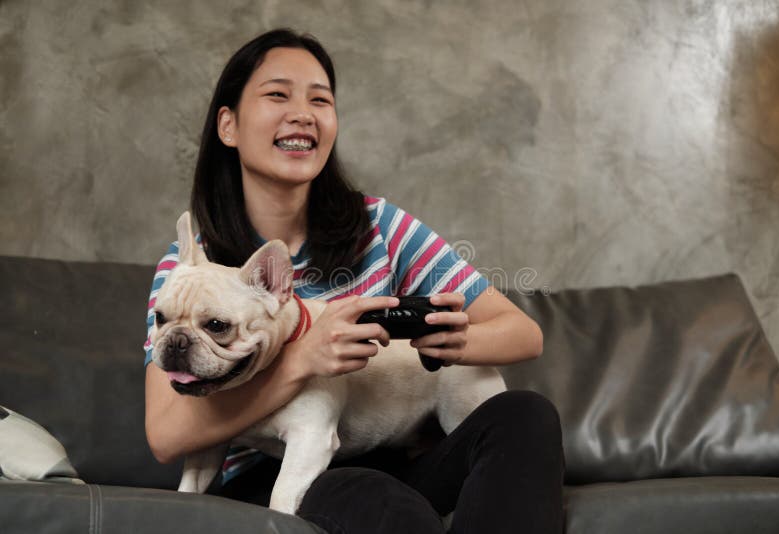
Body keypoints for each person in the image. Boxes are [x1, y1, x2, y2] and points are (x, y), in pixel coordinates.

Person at [143, 28, 564, 534]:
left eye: (319, 99)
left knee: (526, 415)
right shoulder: (189, 266)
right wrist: (305, 356)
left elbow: (525, 334)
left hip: (397, 456)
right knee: (381, 501)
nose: (302, 112)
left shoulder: (379, 227)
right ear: (228, 125)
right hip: (276, 474)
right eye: (278, 94)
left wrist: (450, 339)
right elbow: (166, 436)